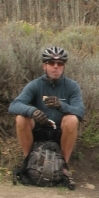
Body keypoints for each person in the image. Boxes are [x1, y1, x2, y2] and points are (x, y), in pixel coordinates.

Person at [9, 46, 85, 183]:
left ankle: (64, 167)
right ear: (44, 66)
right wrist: (33, 111)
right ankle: (28, 163)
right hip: (39, 130)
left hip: (60, 132)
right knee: (21, 118)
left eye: (60, 63)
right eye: (51, 63)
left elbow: (80, 112)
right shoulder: (35, 85)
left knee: (72, 119)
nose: (55, 67)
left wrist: (61, 106)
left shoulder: (72, 86)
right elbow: (14, 105)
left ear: (63, 66)